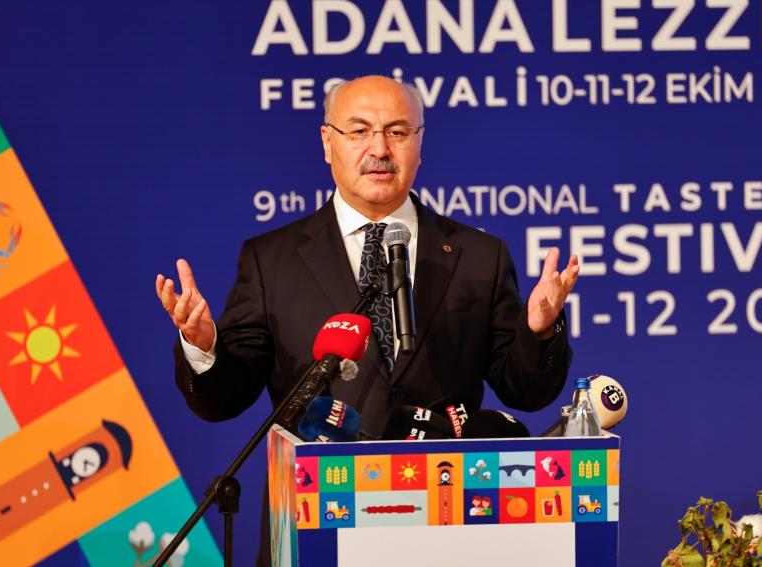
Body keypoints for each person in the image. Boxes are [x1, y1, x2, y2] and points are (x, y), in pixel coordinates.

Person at [155, 75, 580, 565]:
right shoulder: (271, 260)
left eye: (397, 132)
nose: (379, 149)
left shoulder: (478, 256)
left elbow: (524, 391)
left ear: (420, 142)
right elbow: (224, 399)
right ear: (327, 142)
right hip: (317, 523)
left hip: (446, 527)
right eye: (359, 131)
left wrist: (539, 330)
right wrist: (202, 346)